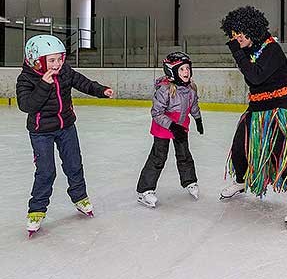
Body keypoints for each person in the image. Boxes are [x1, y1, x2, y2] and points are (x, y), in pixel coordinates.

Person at [220, 6, 287, 229]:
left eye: (239, 33)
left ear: (252, 30)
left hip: (283, 104)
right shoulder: (251, 51)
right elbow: (255, 83)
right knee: (239, 145)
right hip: (258, 103)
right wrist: (241, 52)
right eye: (232, 34)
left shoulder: (272, 49)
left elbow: (256, 76)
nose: (236, 38)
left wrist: (236, 52)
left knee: (279, 151)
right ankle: (240, 182)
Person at [16, 34, 114, 237]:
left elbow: (83, 82)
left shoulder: (65, 71)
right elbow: (27, 105)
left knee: (74, 164)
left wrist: (101, 90)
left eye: (60, 58)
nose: (58, 63)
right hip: (41, 131)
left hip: (66, 126)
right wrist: (44, 84)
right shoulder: (26, 79)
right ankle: (37, 209)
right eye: (51, 60)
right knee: (46, 171)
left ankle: (80, 197)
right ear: (36, 61)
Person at [136, 52, 203, 208]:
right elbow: (156, 112)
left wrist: (198, 119)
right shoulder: (165, 90)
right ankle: (144, 190)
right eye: (182, 69)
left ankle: (190, 181)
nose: (186, 72)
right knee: (158, 157)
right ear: (171, 71)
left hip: (181, 127)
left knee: (184, 155)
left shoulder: (191, 88)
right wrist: (172, 126)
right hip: (164, 128)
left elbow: (193, 105)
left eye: (187, 68)